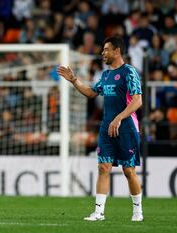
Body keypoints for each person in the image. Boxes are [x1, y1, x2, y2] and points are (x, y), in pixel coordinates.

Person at [57, 36, 144, 222]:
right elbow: (91, 92)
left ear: (117, 51)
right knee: (103, 168)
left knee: (129, 171)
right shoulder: (105, 75)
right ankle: (99, 212)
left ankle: (137, 212)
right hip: (106, 127)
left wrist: (119, 118)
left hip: (127, 127)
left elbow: (138, 100)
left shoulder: (129, 72)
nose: (102, 53)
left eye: (106, 49)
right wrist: (74, 81)